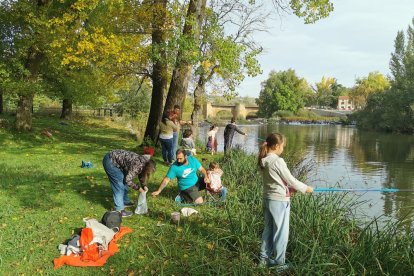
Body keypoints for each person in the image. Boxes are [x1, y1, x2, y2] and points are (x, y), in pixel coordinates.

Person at [257, 133, 313, 269]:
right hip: (279, 201)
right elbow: (290, 179)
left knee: (268, 230)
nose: (283, 149)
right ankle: (279, 263)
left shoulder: (263, 160)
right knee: (281, 232)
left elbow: (276, 180)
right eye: (282, 146)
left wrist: (289, 189)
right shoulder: (277, 161)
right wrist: (306, 188)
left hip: (268, 198)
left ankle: (263, 260)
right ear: (276, 146)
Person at [103, 150, 156, 217]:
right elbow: (128, 180)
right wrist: (139, 188)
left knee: (123, 181)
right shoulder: (138, 165)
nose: (149, 173)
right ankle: (119, 210)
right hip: (110, 161)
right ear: (146, 167)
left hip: (117, 161)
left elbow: (140, 173)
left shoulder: (144, 162)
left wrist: (144, 185)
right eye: (149, 172)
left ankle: (125, 201)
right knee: (119, 186)